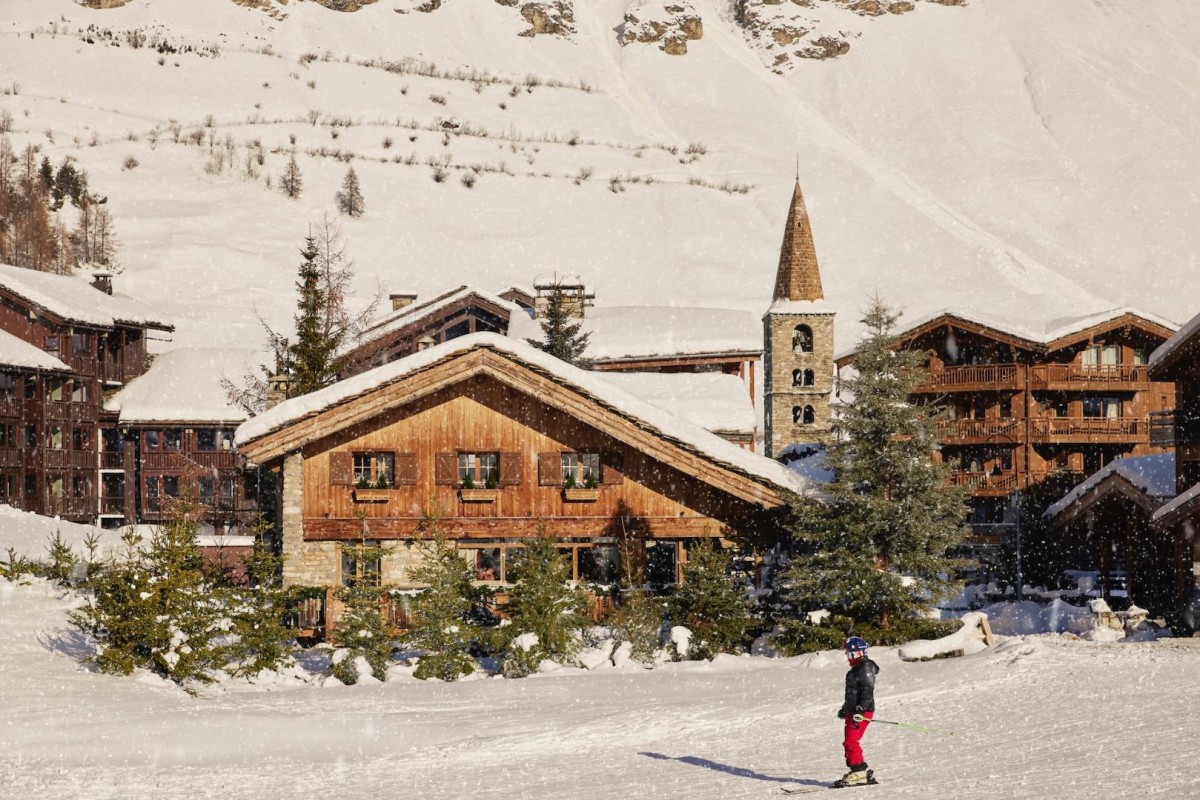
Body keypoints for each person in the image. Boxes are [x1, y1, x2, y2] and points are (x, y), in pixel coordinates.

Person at [834, 636, 880, 788]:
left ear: (857, 652)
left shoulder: (865, 668)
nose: (847, 655)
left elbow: (867, 691)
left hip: (862, 712)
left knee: (851, 742)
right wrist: (846, 708)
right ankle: (856, 770)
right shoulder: (857, 668)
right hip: (854, 711)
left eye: (848, 652)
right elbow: (854, 693)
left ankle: (859, 772)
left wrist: (860, 709)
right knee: (848, 742)